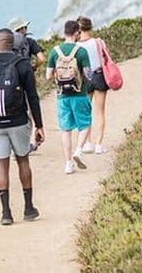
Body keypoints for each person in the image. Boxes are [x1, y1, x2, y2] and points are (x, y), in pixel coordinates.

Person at [0, 28, 45, 225]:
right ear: (12, 44)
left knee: (2, 166)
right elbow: (33, 97)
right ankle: (29, 208)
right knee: (23, 161)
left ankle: (6, 213)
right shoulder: (22, 64)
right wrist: (39, 125)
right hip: (19, 121)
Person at [46, 20, 94, 175]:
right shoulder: (81, 51)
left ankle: (68, 164)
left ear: (64, 32)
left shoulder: (54, 51)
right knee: (85, 124)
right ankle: (79, 150)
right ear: (77, 33)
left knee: (65, 129)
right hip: (79, 94)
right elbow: (88, 74)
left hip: (62, 96)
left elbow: (47, 76)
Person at [8, 16, 46, 152]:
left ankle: (13, 146)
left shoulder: (8, 44)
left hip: (11, 80)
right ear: (22, 28)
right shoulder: (29, 42)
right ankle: (25, 144)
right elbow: (42, 58)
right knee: (30, 107)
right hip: (27, 77)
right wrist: (33, 68)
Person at [76, 16, 110, 155]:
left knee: (86, 111)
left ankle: (87, 143)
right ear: (90, 27)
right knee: (100, 112)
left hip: (85, 78)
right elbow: (106, 58)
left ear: (78, 29)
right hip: (99, 75)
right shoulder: (98, 42)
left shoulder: (77, 46)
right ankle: (99, 145)